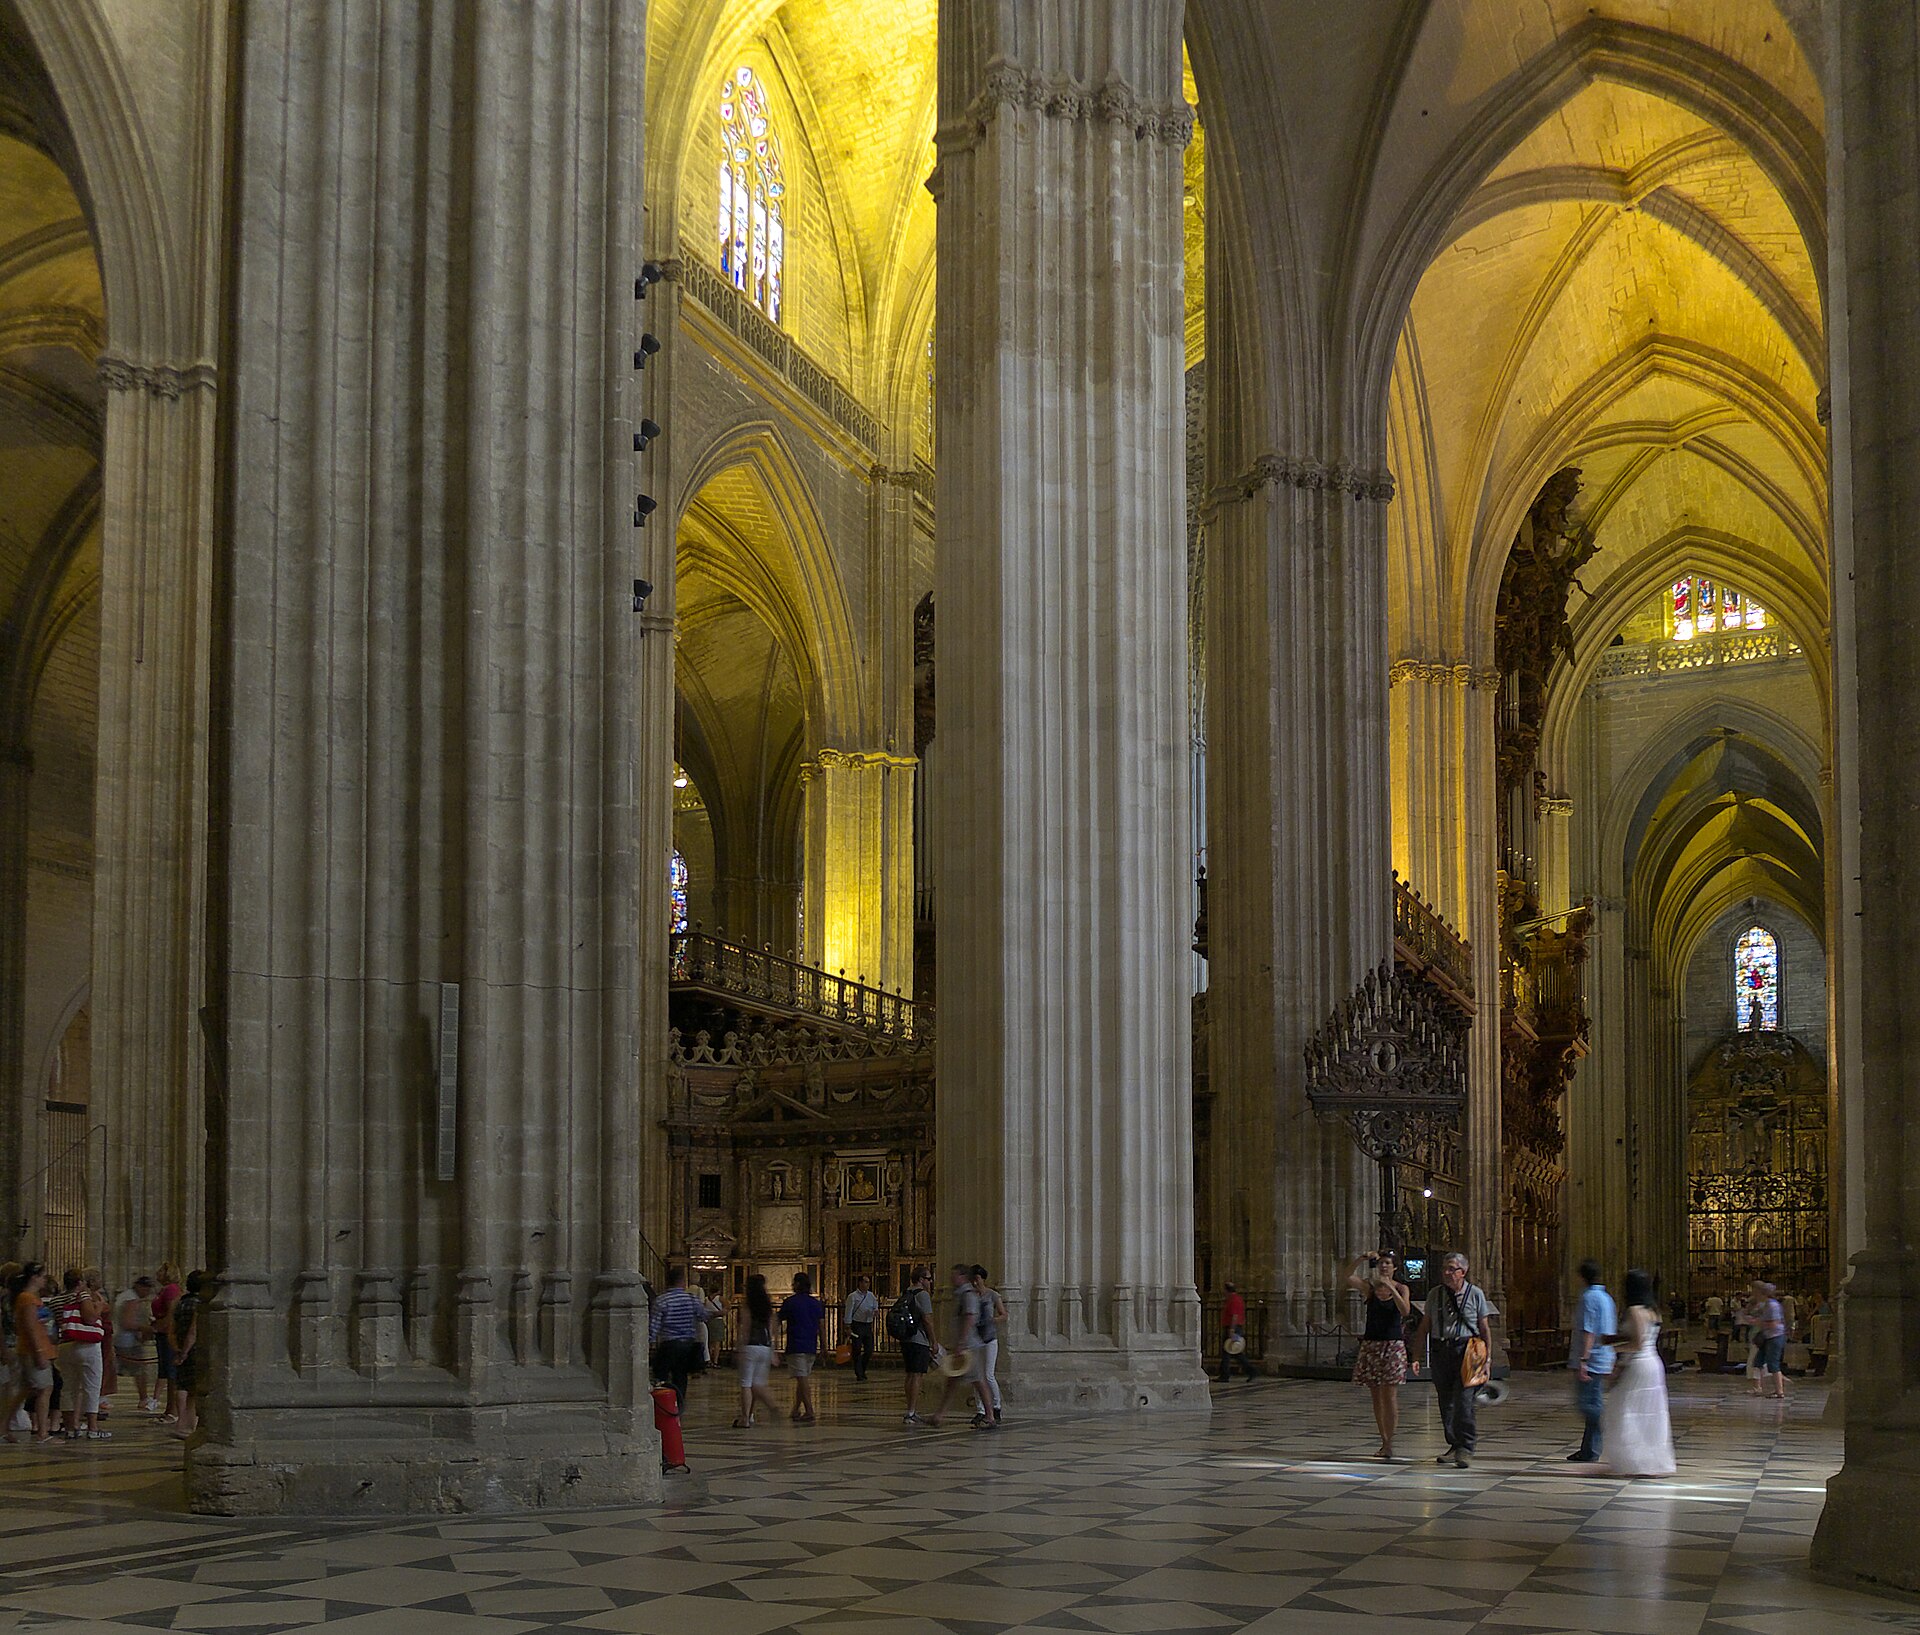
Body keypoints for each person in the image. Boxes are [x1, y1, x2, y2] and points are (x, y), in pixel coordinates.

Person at [1405, 1251, 1492, 1469]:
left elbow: (1484, 1328)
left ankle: (1466, 1447)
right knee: (1446, 1401)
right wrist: (1415, 1356)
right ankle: (1454, 1444)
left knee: (1464, 1402)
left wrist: (1487, 1359)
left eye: (1451, 1269)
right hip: (1441, 1350)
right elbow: (1425, 1325)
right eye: (1444, 1268)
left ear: (1463, 1272)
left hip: (1468, 1350)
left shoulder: (1476, 1294)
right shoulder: (1436, 1294)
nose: (1446, 1273)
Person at [1586, 1268, 1675, 1478]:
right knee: (1648, 1412)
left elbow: (1636, 1343)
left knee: (1626, 1409)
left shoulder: (1635, 1310)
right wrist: (1614, 1340)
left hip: (1639, 1364)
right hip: (1652, 1363)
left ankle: (1635, 1461)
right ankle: (1649, 1460)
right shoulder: (1653, 1310)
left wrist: (1611, 1347)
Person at [1347, 1250, 1412, 1462]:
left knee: (1389, 1395)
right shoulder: (1370, 1288)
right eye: (1381, 1263)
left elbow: (1405, 1311)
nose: (1384, 1266)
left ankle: (1390, 1442)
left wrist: (1391, 1286)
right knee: (1376, 1396)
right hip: (1372, 1344)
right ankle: (1383, 1440)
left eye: (1388, 1263)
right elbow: (1347, 1277)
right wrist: (1360, 1259)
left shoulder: (1402, 1288)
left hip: (1392, 1345)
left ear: (1394, 1268)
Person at [928, 1263, 994, 1430]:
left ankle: (990, 1416)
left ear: (963, 1277)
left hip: (970, 1347)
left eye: (954, 1275)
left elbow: (970, 1318)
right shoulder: (960, 1294)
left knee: (979, 1381)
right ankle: (939, 1415)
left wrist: (961, 1343)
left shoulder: (968, 1295)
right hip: (964, 1346)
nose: (951, 1279)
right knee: (952, 1381)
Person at [1570, 1259, 1617, 1463]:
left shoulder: (1589, 1298)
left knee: (1588, 1403)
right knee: (1591, 1401)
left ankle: (1595, 1444)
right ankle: (1589, 1449)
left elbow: (1589, 1330)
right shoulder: (1607, 1298)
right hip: (1604, 1355)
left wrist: (1583, 1360)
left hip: (1593, 1358)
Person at [54, 1272, 109, 1441]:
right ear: (79, 1282)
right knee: (91, 1387)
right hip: (87, 1344)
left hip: (65, 1344)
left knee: (68, 1388)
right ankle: (93, 1428)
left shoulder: (56, 1300)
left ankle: (70, 1428)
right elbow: (91, 1318)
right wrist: (99, 1307)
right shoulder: (82, 1295)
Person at [2, 1263, 54, 1444]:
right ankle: (42, 1433)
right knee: (45, 1389)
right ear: (34, 1277)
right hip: (33, 1350)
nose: (44, 1279)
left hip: (29, 1348)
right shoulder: (27, 1298)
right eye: (42, 1276)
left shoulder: (29, 1297)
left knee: (26, 1389)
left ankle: (3, 1427)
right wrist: (39, 1352)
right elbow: (30, 1328)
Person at [647, 1265, 706, 1411]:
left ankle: (662, 1405)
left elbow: (654, 1326)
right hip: (687, 1344)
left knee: (660, 1375)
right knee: (681, 1376)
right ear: (682, 1282)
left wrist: (649, 1342)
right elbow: (703, 1316)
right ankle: (678, 1405)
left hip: (669, 1344)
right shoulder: (691, 1299)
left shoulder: (662, 1300)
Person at [733, 1274, 781, 1428]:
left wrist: (740, 1347)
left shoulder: (748, 1305)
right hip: (765, 1347)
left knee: (746, 1384)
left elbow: (745, 1328)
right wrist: (773, 1350)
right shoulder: (767, 1306)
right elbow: (772, 1329)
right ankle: (752, 1414)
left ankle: (746, 1418)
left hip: (751, 1346)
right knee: (758, 1383)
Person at [778, 1271, 824, 1424]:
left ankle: (809, 1410)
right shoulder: (816, 1303)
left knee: (802, 1378)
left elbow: (778, 1319)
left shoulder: (790, 1302)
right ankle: (796, 1409)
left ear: (797, 1284)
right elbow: (821, 1326)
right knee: (802, 1377)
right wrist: (824, 1346)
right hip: (811, 1345)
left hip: (796, 1344)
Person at [897, 1265, 938, 1425]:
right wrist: (933, 1341)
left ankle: (910, 1409)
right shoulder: (922, 1295)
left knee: (909, 1374)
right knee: (917, 1375)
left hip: (906, 1339)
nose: (931, 1281)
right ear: (921, 1280)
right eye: (928, 1278)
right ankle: (911, 1411)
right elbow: (927, 1320)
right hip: (918, 1339)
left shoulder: (906, 1292)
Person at [113, 1276, 160, 1414]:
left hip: (121, 1339)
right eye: (148, 1289)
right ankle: (143, 1399)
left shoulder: (125, 1295)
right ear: (141, 1287)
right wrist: (146, 1328)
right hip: (127, 1341)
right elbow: (127, 1322)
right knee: (139, 1370)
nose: (148, 1292)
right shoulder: (131, 1299)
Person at [168, 1270, 205, 1439]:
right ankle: (188, 1423)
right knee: (194, 1388)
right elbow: (193, 1331)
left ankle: (182, 1422)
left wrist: (177, 1349)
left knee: (182, 1385)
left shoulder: (179, 1302)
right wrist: (185, 1352)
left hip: (179, 1347)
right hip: (194, 1349)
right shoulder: (201, 1304)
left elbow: (172, 1330)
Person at [969, 1266, 1006, 1426]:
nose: (975, 1282)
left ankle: (996, 1406)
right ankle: (981, 1409)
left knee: (989, 1375)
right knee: (977, 1376)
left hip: (990, 1339)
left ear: (982, 1278)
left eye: (977, 1278)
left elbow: (1003, 1314)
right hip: (975, 1340)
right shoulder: (971, 1297)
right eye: (973, 1279)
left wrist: (993, 1320)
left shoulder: (992, 1295)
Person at [151, 1262, 183, 1423]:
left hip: (167, 1334)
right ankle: (169, 1409)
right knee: (166, 1372)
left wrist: (162, 1327)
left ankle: (173, 1411)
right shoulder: (165, 1289)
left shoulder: (171, 1289)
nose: (157, 1272)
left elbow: (172, 1314)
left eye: (161, 1269)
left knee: (172, 1374)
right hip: (162, 1334)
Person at [1748, 1280, 1787, 1399]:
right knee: (1758, 1361)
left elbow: (1774, 1323)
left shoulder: (1772, 1305)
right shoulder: (1766, 1304)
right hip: (1768, 1336)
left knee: (1773, 1364)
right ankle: (1759, 1387)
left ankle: (1779, 1391)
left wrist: (1758, 1323)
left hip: (1774, 1337)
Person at [843, 1274, 878, 1383]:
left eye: (868, 1282)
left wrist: (874, 1312)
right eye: (865, 1282)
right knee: (857, 1348)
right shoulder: (853, 1296)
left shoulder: (871, 1296)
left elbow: (875, 1306)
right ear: (860, 1283)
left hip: (867, 1324)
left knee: (869, 1349)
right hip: (857, 1325)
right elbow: (849, 1311)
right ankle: (859, 1373)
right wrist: (848, 1325)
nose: (867, 1285)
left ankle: (862, 1368)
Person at [1219, 1281, 1255, 1382]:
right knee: (1232, 1351)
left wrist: (1232, 1329)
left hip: (1233, 1328)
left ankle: (1250, 1370)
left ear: (1227, 1290)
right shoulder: (1236, 1299)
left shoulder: (1234, 1300)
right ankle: (1225, 1374)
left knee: (1232, 1351)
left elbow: (1235, 1316)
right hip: (1233, 1328)